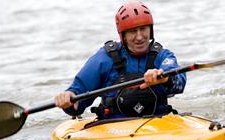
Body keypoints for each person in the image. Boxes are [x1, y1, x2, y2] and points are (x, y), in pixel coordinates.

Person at [54, 0, 186, 119]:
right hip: (114, 129)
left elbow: (179, 81)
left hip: (158, 124)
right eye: (133, 31)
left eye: (143, 29)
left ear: (150, 30)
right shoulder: (104, 59)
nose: (139, 37)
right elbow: (78, 97)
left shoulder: (162, 56)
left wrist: (165, 78)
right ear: (122, 35)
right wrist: (68, 99)